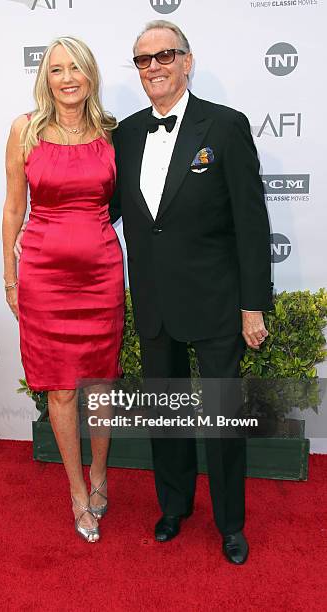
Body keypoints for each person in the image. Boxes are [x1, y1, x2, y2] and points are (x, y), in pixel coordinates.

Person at [109, 20, 272, 564]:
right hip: (154, 303)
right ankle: (174, 506)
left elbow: (251, 222)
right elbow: (103, 211)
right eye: (142, 60)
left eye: (164, 55)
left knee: (222, 419)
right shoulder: (126, 134)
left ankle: (230, 523)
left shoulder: (225, 127)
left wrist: (254, 303)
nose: (153, 67)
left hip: (215, 301)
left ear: (187, 61)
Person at [2, 36, 124, 543]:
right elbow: (13, 209)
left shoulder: (112, 132)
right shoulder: (24, 130)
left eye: (76, 67)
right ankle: (77, 490)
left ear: (90, 75)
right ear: (45, 78)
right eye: (57, 70)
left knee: (101, 384)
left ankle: (100, 473)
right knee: (60, 387)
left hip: (100, 275)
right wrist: (10, 278)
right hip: (44, 279)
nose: (68, 77)